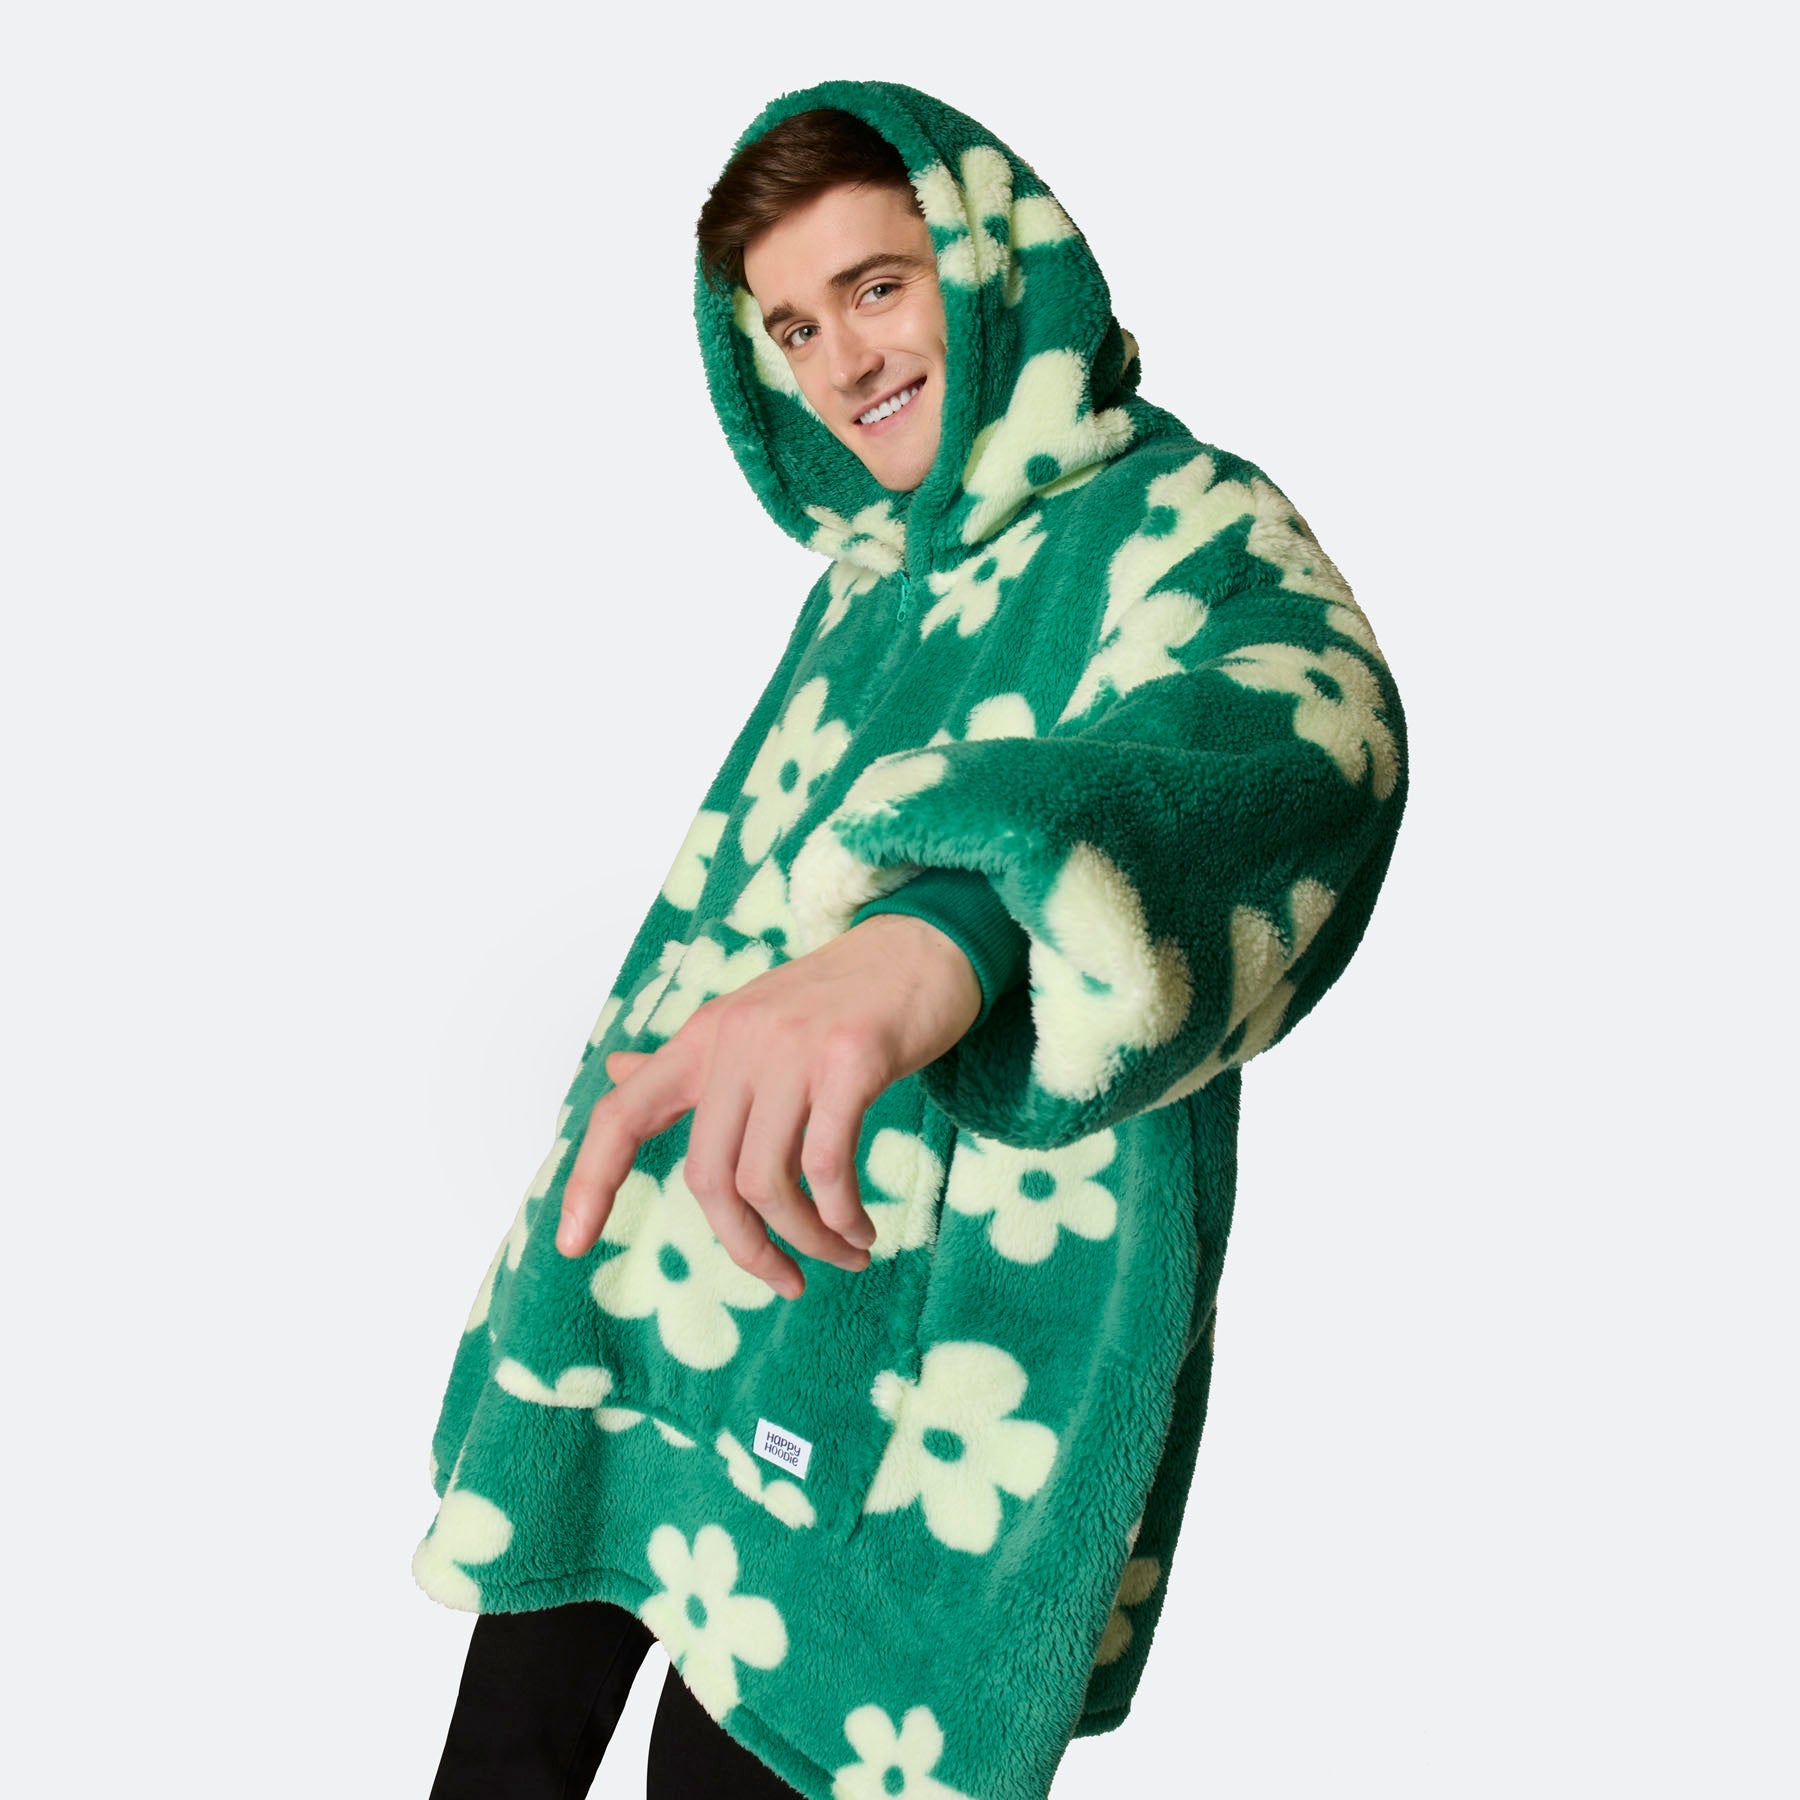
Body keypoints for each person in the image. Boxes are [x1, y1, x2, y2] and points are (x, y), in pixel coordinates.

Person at [417, 78, 1409, 1800]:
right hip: (656, 1277)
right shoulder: (872, 586)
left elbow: (1304, 743)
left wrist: (948, 924)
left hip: (908, 1355)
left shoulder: (1190, 524)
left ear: (994, 265)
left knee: (729, 1769)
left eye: (877, 286)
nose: (839, 361)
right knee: (499, 1755)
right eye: (793, 327)